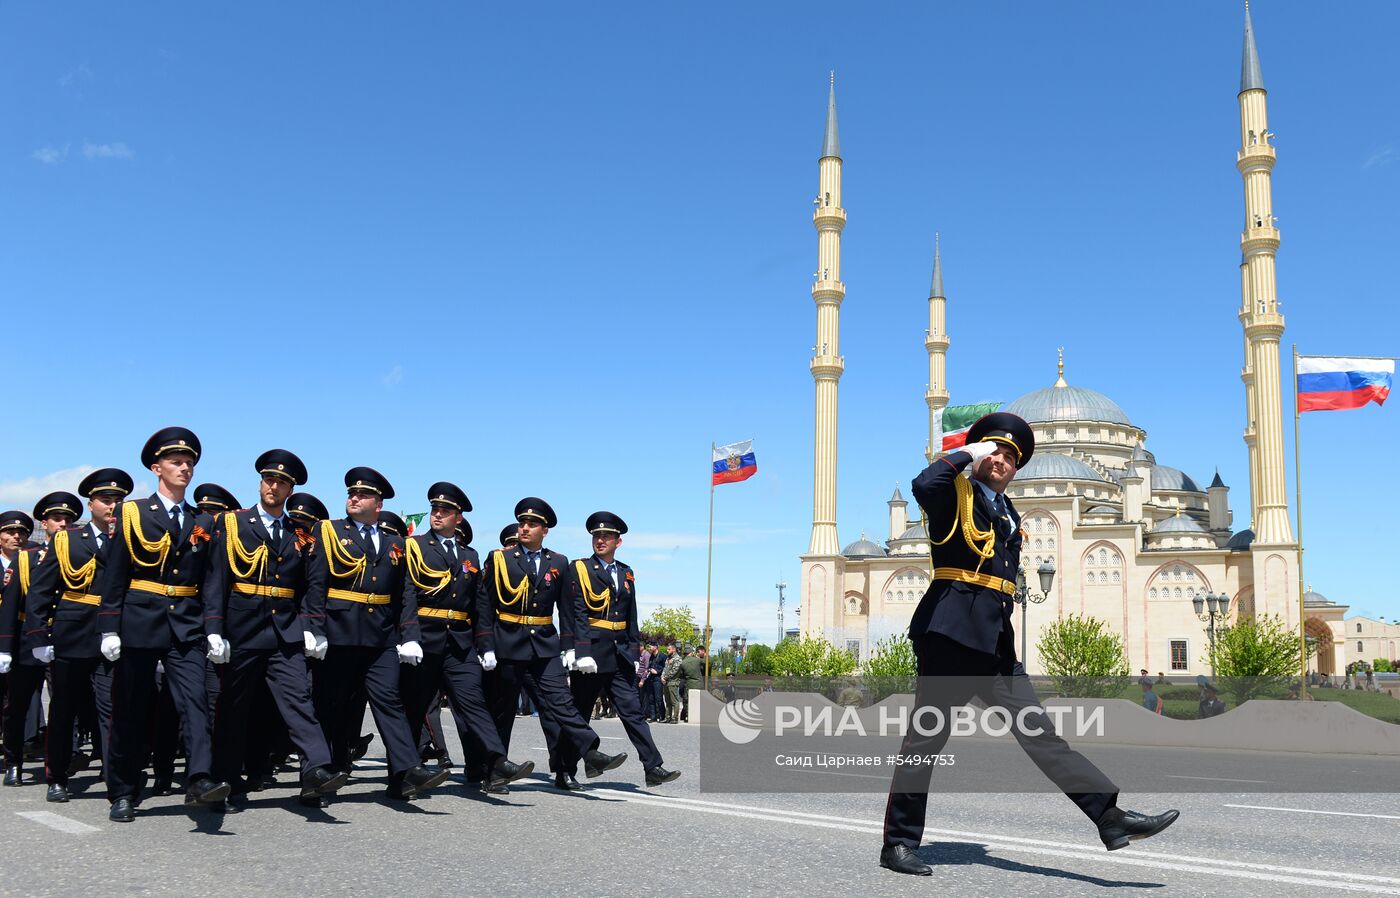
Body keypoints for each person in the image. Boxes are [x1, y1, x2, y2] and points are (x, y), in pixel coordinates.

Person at [880, 413, 1179, 876]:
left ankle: (1108, 816)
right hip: (950, 638)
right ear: (979, 455)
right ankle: (898, 844)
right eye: (994, 451)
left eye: (1010, 457)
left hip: (996, 644)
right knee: (925, 742)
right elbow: (924, 482)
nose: (1001, 460)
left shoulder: (1007, 510)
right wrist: (969, 454)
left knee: (1042, 734)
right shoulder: (951, 495)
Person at [98, 427, 232, 823]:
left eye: (189, 462)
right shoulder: (133, 513)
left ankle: (200, 779)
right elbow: (116, 574)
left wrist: (213, 628)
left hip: (186, 625)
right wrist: (109, 627)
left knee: (195, 704)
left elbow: (210, 580)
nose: (185, 468)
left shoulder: (202, 519)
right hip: (139, 620)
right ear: (157, 468)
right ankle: (123, 789)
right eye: (176, 462)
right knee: (130, 709)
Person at [202, 449, 347, 812]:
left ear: (290, 488)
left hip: (284, 631)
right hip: (241, 629)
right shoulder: (233, 524)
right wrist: (214, 629)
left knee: (299, 700)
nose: (273, 486)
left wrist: (312, 627)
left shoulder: (301, 533)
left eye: (281, 482)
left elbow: (313, 585)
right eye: (269, 479)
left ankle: (316, 770)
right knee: (233, 710)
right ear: (260, 483)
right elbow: (217, 578)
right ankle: (226, 783)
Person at [302, 467, 448, 802]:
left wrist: (409, 634)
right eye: (351, 493)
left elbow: (405, 593)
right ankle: (317, 777)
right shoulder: (329, 531)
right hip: (338, 634)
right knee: (330, 707)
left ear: (378, 504)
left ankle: (406, 769)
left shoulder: (396, 543)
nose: (354, 498)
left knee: (390, 702)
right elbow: (316, 583)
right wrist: (314, 627)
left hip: (380, 638)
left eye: (362, 494)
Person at [476, 497, 626, 792]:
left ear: (545, 530)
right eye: (522, 523)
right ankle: (494, 771)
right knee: (503, 711)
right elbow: (484, 605)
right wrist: (486, 644)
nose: (525, 528)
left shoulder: (558, 562)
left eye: (532, 524)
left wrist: (573, 648)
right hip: (507, 643)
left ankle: (580, 758)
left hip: (544, 645)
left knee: (560, 706)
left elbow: (567, 609)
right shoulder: (500, 558)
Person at [399, 482, 533, 795]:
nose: (437, 515)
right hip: (424, 640)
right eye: (435, 510)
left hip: (459, 644)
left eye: (445, 511)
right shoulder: (415, 546)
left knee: (474, 704)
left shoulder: (468, 555)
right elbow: (407, 593)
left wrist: (485, 646)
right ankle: (402, 775)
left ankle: (497, 760)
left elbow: (481, 606)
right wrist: (408, 635)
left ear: (458, 518)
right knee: (413, 709)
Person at [22, 470, 132, 801]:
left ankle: (117, 782)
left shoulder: (130, 537)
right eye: (106, 500)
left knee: (113, 709)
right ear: (91, 504)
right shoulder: (66, 539)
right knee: (64, 708)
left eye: (118, 500)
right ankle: (57, 774)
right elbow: (41, 591)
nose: (112, 506)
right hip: (72, 632)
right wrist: (39, 637)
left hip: (114, 634)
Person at [558, 512, 679, 786]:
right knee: (580, 712)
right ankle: (565, 770)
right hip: (591, 653)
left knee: (633, 712)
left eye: (607, 536)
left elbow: (631, 617)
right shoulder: (580, 568)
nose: (600, 540)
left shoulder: (626, 572)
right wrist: (577, 650)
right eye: (596, 536)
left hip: (620, 655)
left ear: (618, 542)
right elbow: (573, 611)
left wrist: (635, 654)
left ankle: (652, 767)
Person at [1, 491, 82, 785]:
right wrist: (5, 647)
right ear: (44, 523)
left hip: (64, 636)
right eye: (57, 519)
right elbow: (11, 606)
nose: (63, 524)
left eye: (68, 520)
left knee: (64, 702)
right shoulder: (26, 558)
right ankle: (13, 761)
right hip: (27, 640)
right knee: (18, 705)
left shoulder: (79, 553)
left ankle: (61, 761)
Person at [678, 648, 704, 722]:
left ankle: (688, 715)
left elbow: (681, 675)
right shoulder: (697, 660)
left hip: (689, 684)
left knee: (687, 701)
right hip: (699, 683)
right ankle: (699, 716)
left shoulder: (683, 662)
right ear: (691, 653)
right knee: (699, 701)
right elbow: (705, 664)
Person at [661, 643, 683, 723]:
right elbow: (665, 668)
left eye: (669, 649)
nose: (667, 651)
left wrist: (665, 677)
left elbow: (674, 671)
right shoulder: (668, 658)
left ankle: (675, 718)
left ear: (674, 649)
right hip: (666, 682)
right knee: (667, 701)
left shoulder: (678, 659)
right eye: (667, 649)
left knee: (675, 701)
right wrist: (662, 677)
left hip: (673, 682)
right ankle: (668, 718)